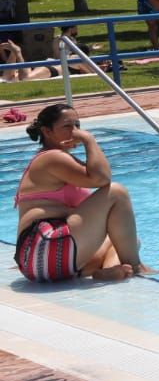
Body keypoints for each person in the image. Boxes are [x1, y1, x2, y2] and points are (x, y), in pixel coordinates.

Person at [13, 104, 149, 282]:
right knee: (116, 192)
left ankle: (111, 270)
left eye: (77, 125)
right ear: (47, 131)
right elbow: (101, 179)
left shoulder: (54, 158)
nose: (75, 132)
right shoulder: (52, 157)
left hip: (37, 263)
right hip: (46, 246)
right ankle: (136, 267)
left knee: (126, 239)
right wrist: (89, 140)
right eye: (67, 126)